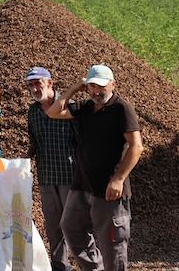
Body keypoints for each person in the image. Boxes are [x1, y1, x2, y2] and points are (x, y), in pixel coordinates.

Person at [46, 64, 144, 271]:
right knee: (70, 227)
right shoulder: (85, 108)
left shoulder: (121, 109)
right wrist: (74, 88)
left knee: (112, 245)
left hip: (109, 190)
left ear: (113, 84)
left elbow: (136, 146)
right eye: (91, 86)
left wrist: (118, 179)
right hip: (82, 185)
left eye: (101, 86)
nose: (97, 91)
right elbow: (53, 112)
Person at [25, 66, 76, 271]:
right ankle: (60, 265)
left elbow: (83, 139)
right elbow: (34, 142)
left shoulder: (69, 106)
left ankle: (87, 262)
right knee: (53, 225)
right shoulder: (33, 112)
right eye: (31, 85)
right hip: (46, 176)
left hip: (70, 175)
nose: (35, 88)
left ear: (50, 83)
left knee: (74, 224)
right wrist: (23, 162)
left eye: (38, 83)